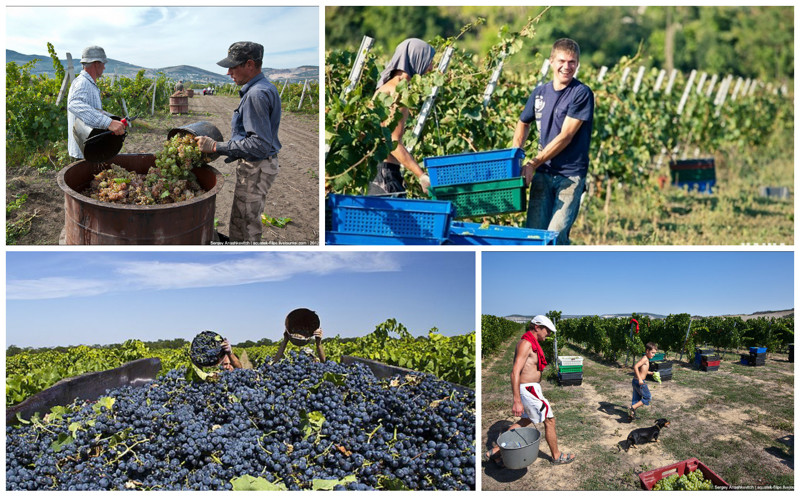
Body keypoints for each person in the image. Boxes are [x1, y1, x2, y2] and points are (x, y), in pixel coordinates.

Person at [195, 42, 281, 243]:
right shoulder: (264, 88)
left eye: (233, 67)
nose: (228, 72)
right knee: (242, 219)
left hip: (256, 165)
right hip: (259, 165)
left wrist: (216, 146)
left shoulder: (256, 94)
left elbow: (259, 144)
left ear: (250, 65)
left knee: (247, 224)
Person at [513, 38, 594, 245]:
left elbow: (566, 136)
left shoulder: (581, 93)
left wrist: (533, 163)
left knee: (554, 238)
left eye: (572, 62)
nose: (566, 67)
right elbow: (523, 123)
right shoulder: (540, 93)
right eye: (561, 61)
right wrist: (515, 157)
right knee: (534, 236)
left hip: (569, 177)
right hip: (543, 175)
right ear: (551, 62)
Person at [485, 315, 576, 466]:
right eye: (546, 330)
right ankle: (557, 456)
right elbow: (515, 372)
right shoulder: (526, 343)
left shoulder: (530, 343)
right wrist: (517, 400)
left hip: (531, 389)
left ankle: (495, 452)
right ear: (537, 327)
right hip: (528, 389)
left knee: (526, 420)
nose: (548, 334)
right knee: (550, 420)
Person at [368, 38, 434, 197]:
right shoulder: (398, 92)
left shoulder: (385, 87)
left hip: (379, 173)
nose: (431, 67)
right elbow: (392, 141)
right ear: (416, 58)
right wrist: (421, 175)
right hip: (385, 177)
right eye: (429, 61)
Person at [67, 46, 126, 160]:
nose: (104, 67)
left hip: (89, 148)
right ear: (96, 63)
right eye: (103, 63)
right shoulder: (83, 82)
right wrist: (108, 123)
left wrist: (110, 120)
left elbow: (90, 111)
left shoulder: (88, 83)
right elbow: (74, 103)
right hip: (83, 152)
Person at [629, 342, 657, 420]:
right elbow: (635, 366)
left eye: (654, 353)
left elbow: (643, 370)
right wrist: (640, 379)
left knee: (636, 399)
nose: (653, 355)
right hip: (639, 382)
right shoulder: (645, 358)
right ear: (647, 350)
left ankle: (631, 415)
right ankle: (632, 407)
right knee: (648, 397)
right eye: (652, 353)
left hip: (635, 381)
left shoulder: (646, 359)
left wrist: (650, 373)